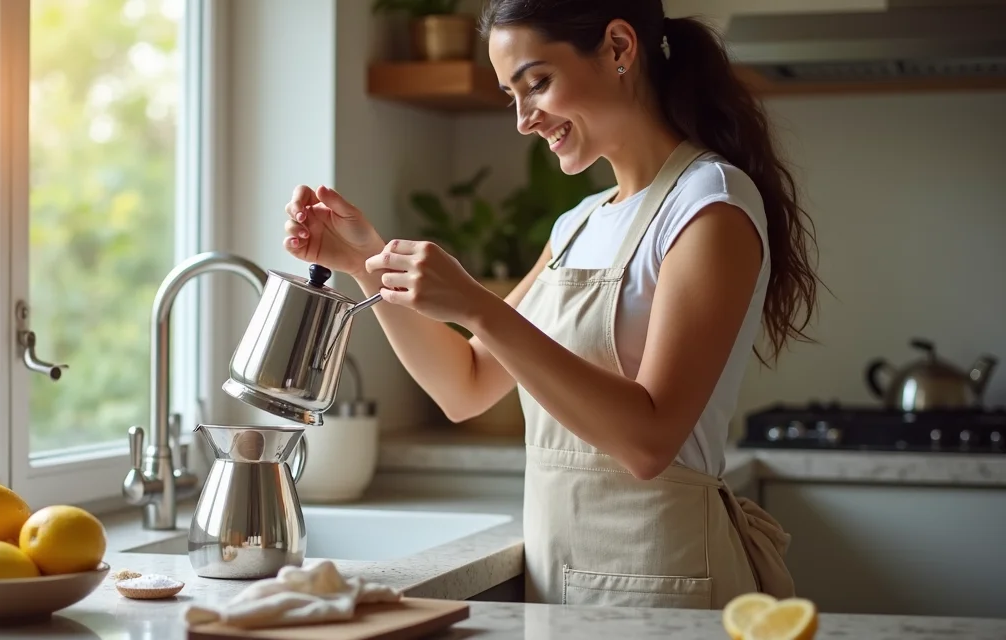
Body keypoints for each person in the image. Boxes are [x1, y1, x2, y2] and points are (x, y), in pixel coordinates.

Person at [282, 0, 820, 609]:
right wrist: (365, 262)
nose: (522, 119)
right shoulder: (579, 225)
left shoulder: (709, 205)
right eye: (511, 93)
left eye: (536, 83)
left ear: (619, 48)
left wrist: (481, 308)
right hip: (561, 576)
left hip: (664, 584)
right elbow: (465, 386)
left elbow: (649, 440)